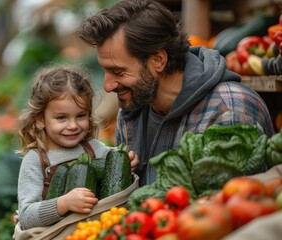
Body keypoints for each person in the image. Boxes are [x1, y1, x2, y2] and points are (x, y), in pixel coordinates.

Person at [77, 0, 275, 187]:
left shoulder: (229, 110)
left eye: (118, 72)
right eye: (105, 70)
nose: (107, 86)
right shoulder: (130, 111)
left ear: (158, 60)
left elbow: (233, 208)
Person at [16, 64, 139, 229]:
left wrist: (128, 162)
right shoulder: (35, 161)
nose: (73, 125)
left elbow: (115, 164)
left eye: (80, 116)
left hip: (100, 230)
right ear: (40, 119)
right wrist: (62, 204)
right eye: (61, 118)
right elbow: (26, 216)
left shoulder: (95, 149)